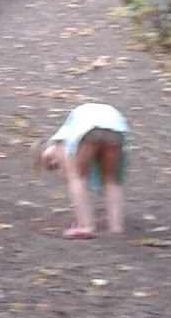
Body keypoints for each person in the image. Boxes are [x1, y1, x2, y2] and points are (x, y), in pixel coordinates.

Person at [32, 102, 129, 239]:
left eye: (53, 164)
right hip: (114, 123)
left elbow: (72, 178)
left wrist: (67, 170)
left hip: (89, 125)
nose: (56, 164)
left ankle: (86, 226)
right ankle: (115, 226)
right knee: (110, 180)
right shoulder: (70, 135)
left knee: (76, 177)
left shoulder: (57, 145)